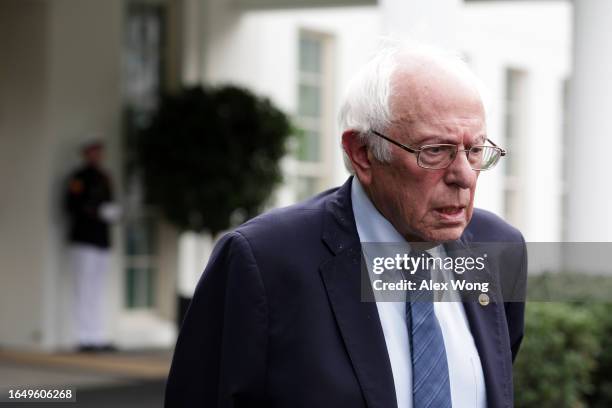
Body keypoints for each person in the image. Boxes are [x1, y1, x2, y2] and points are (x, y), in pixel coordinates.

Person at [165, 41, 526, 407]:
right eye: (434, 151)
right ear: (363, 153)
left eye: (475, 150)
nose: (464, 176)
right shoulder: (262, 261)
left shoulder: (500, 248)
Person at [64, 138, 120, 352]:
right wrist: (96, 212)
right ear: (86, 154)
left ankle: (97, 335)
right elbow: (71, 205)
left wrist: (111, 213)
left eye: (99, 152)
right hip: (84, 239)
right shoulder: (79, 178)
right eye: (93, 152)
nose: (97, 156)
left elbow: (109, 203)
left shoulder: (105, 177)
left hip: (101, 240)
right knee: (84, 287)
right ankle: (83, 336)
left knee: (97, 288)